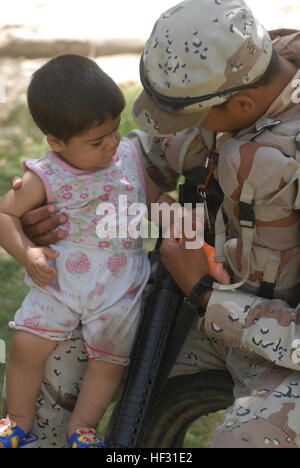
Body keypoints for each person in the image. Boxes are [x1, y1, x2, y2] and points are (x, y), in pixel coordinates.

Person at [5, 0, 300, 448]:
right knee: (50, 353)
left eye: (187, 119)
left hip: (281, 354)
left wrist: (203, 291)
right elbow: (139, 157)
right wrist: (56, 197)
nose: (176, 129)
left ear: (241, 103)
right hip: (190, 305)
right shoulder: (222, 84)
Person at [0, 54, 177, 448]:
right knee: (27, 345)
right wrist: (27, 252)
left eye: (115, 130)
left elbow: (152, 200)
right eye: (97, 141)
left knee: (109, 360)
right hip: (62, 277)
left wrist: (182, 221)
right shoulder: (45, 175)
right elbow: (5, 215)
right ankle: (17, 419)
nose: (112, 144)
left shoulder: (128, 158)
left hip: (119, 285)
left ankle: (83, 428)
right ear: (57, 142)